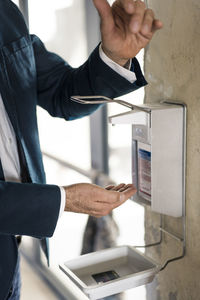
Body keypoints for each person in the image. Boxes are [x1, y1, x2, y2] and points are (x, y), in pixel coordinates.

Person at [0, 0, 162, 299]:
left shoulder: (5, 14)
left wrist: (114, 56)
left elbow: (62, 92)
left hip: (9, 258)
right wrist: (64, 199)